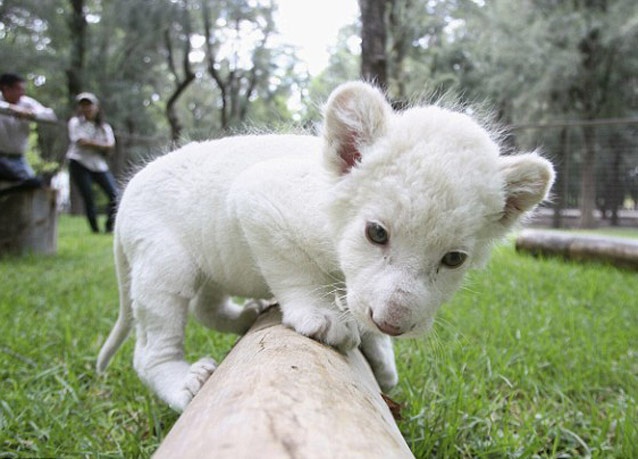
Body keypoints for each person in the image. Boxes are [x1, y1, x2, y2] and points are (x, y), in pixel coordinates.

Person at [66, 92, 119, 233]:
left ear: (96, 107)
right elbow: (81, 142)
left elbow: (111, 145)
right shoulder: (75, 123)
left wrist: (93, 144)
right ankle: (95, 229)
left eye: (89, 105)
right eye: (83, 105)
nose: (86, 108)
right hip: (79, 162)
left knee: (115, 195)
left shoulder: (104, 127)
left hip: (98, 164)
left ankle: (109, 227)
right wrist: (101, 145)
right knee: (88, 197)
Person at [0, 73, 57, 188]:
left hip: (18, 159)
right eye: (18, 89)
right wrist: (12, 109)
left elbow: (50, 116)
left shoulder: (26, 103)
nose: (22, 93)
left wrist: (32, 114)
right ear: (6, 89)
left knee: (33, 184)